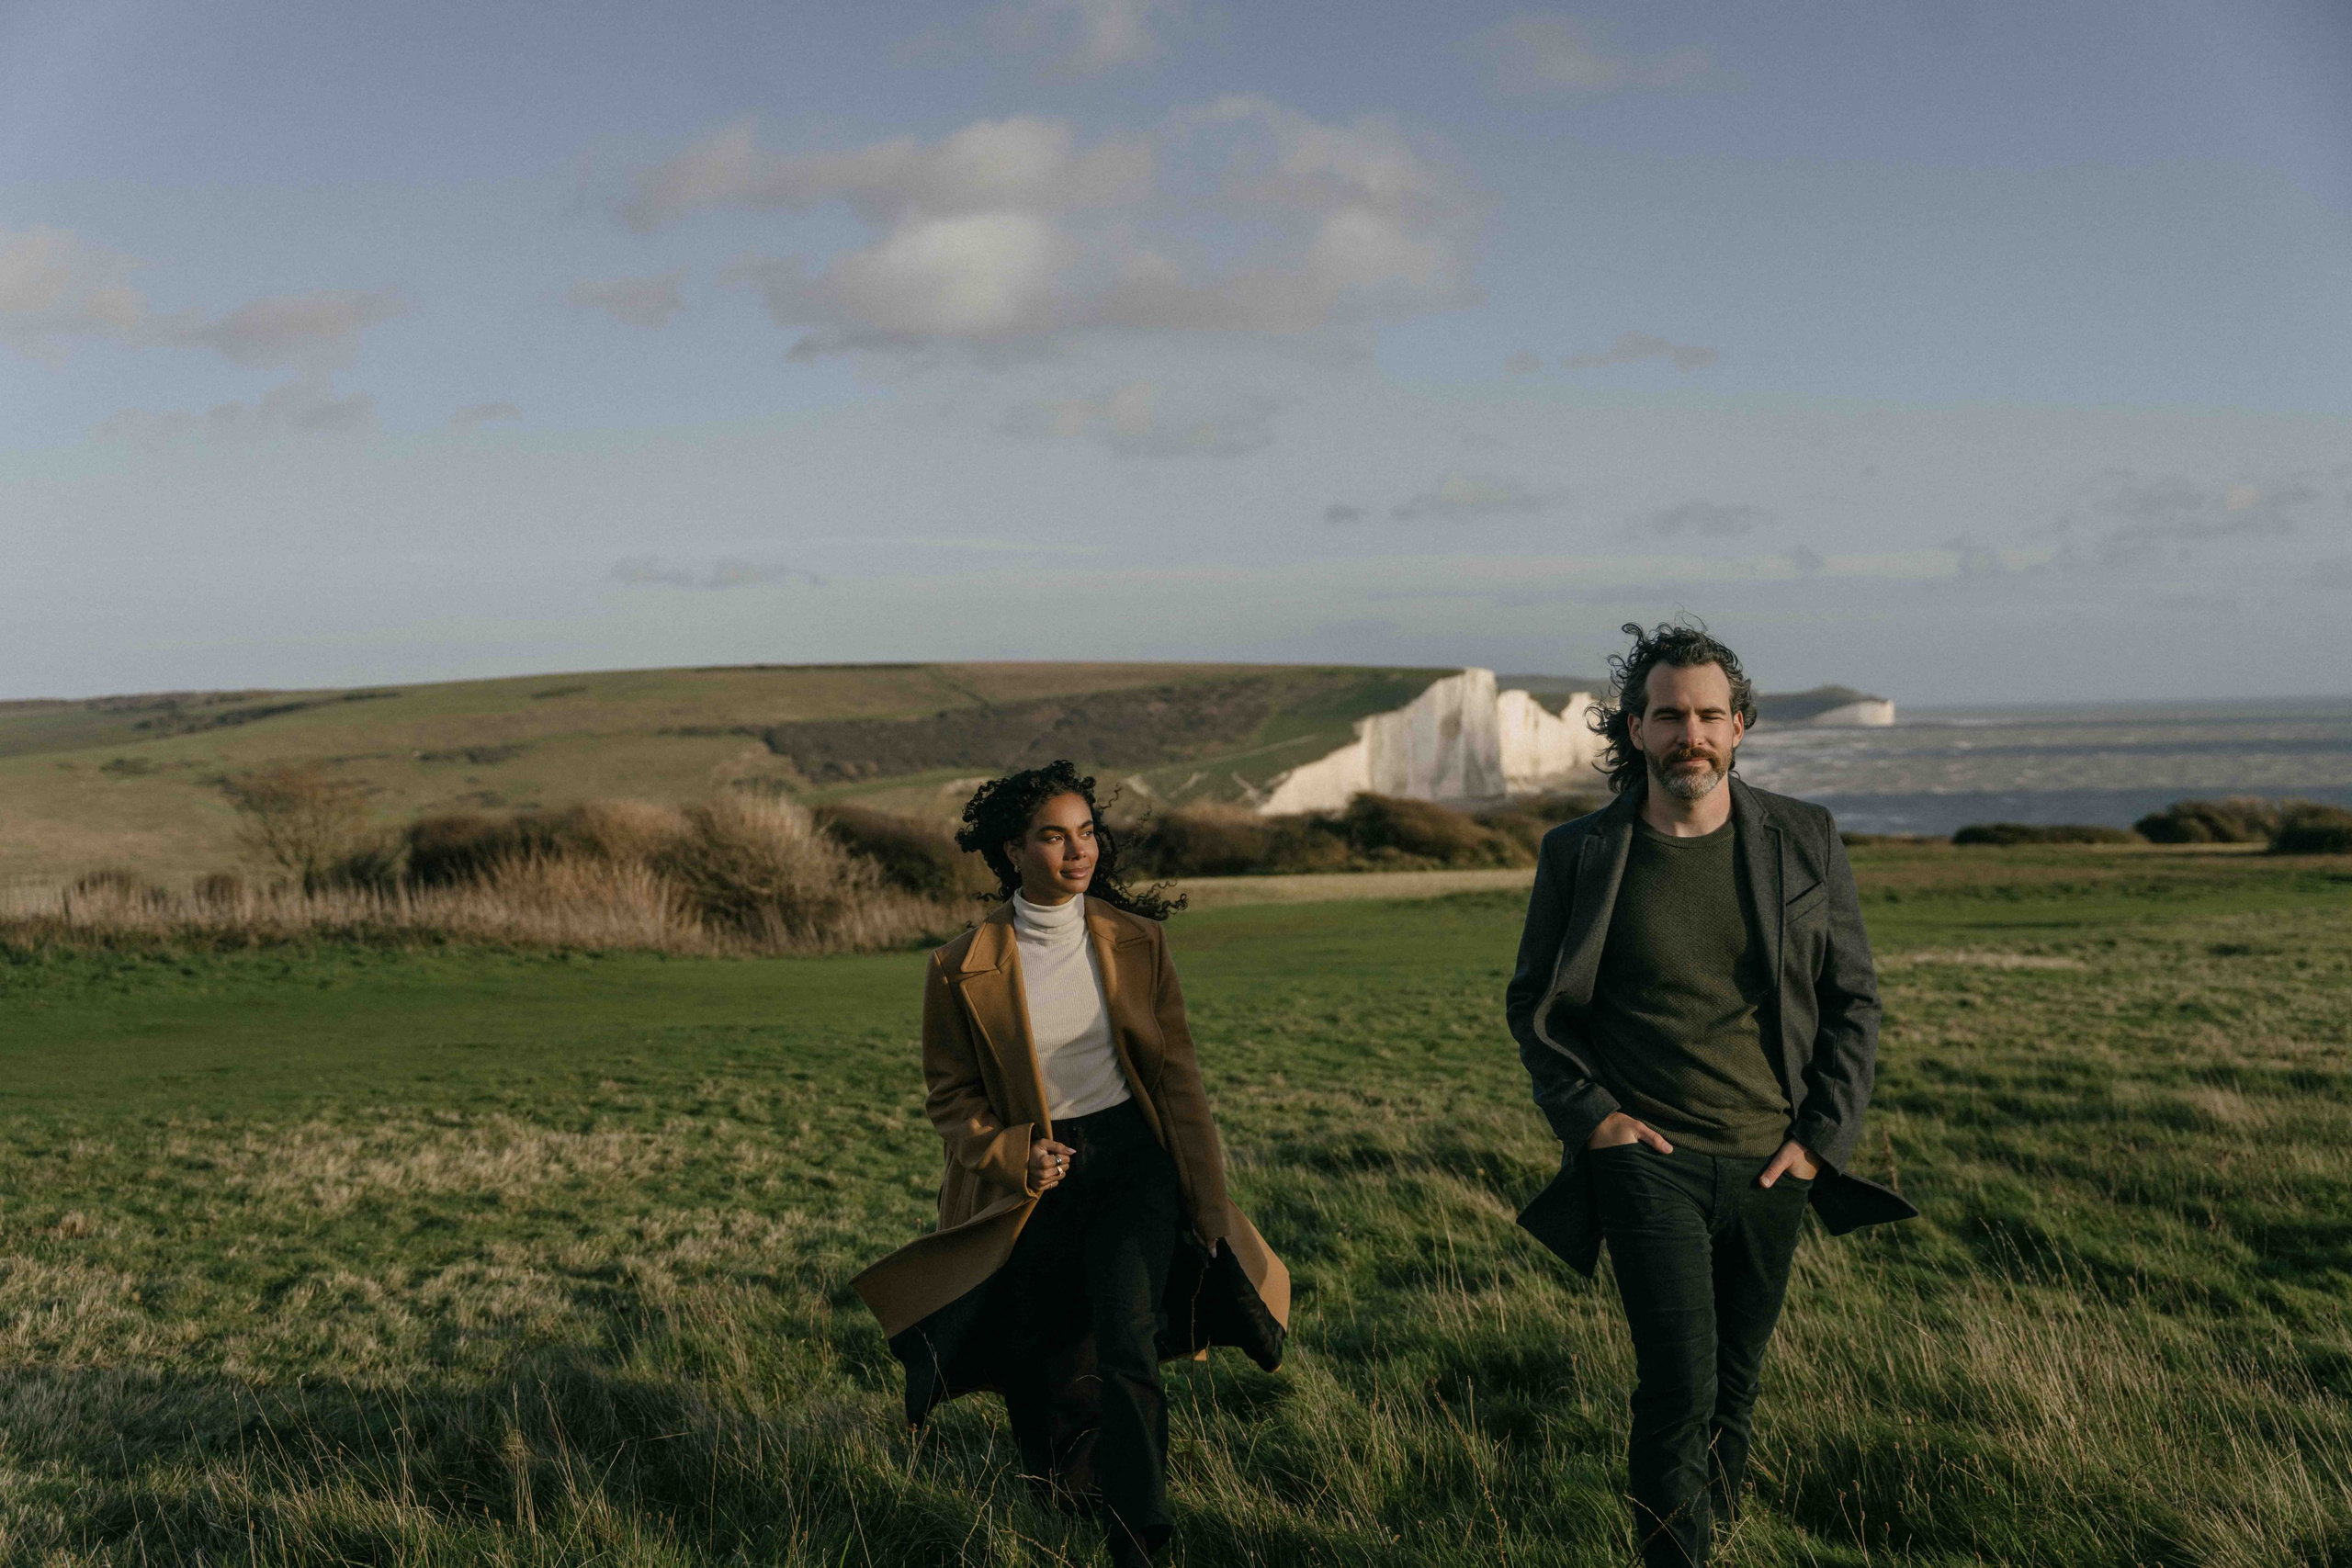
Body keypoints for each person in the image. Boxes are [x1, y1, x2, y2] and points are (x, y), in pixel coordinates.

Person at [1507, 622, 1917, 1567]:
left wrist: (1818, 1140)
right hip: (1648, 1163)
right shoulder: (1581, 851)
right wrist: (1593, 1118)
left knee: (1735, 1384)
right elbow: (1534, 1003)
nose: (1688, 734)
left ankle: (1713, 1535)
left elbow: (1854, 998)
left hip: (1775, 1162)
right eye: (1667, 716)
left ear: (1739, 728)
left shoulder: (1803, 836)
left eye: (1707, 716)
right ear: (1634, 729)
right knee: (1677, 1384)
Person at [852, 760, 1288, 1568]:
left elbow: (1177, 1080)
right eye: (1054, 836)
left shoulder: (1137, 941)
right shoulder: (958, 966)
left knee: (1126, 1337)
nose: (1077, 850)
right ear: (1013, 850)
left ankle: (1141, 1533)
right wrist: (1015, 1151)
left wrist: (1208, 1200)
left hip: (1134, 1160)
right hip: (1034, 1180)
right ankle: (1070, 1484)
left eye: (1087, 832)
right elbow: (950, 1097)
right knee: (1047, 1351)